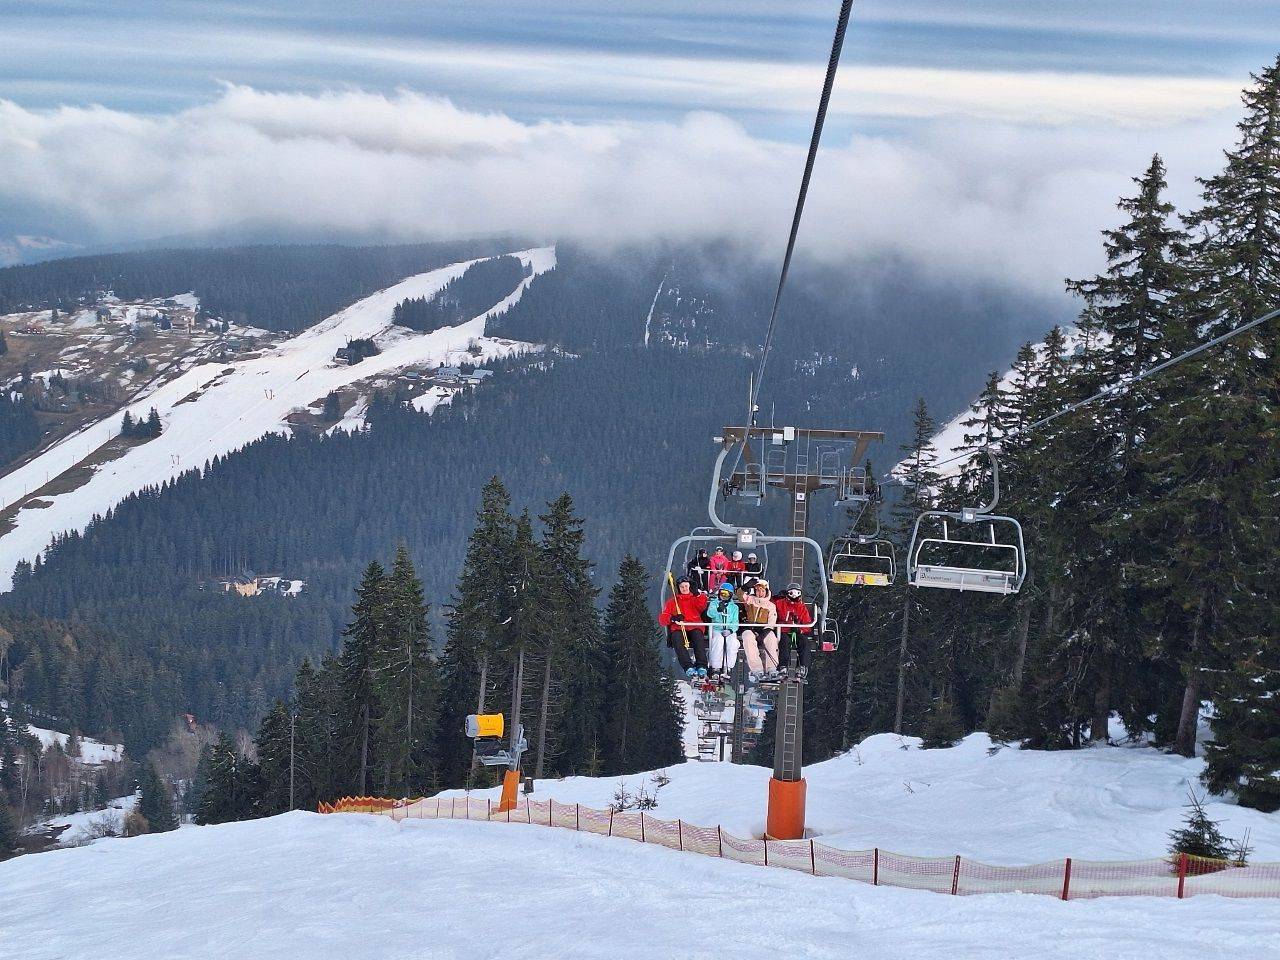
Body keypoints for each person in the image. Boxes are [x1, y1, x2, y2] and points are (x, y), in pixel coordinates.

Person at [658, 577, 708, 677]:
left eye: (686, 586)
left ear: (689, 587)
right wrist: (672, 618)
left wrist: (697, 594)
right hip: (679, 628)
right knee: (676, 639)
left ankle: (701, 665)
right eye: (682, 587)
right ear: (679, 588)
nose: (684, 589)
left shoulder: (695, 599)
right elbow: (662, 619)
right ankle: (688, 666)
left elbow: (702, 605)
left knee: (698, 638)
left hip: (694, 626)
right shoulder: (673, 602)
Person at [738, 578, 778, 681]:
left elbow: (772, 621)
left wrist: (764, 633)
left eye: (762, 591)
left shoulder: (770, 605)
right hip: (750, 628)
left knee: (771, 638)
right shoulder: (750, 600)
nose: (760, 593)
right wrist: (746, 586)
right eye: (758, 590)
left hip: (764, 629)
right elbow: (739, 595)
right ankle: (757, 669)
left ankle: (772, 668)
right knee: (747, 637)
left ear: (766, 591)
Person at [773, 582, 814, 680]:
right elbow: (772, 612)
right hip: (783, 630)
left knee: (804, 642)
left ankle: (802, 667)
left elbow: (807, 623)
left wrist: (800, 629)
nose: (794, 596)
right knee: (784, 642)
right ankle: (783, 666)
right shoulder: (780, 604)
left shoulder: (801, 607)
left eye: (797, 593)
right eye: (791, 593)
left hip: (797, 630)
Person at [705, 581, 740, 681]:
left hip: (729, 630)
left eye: (726, 594)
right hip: (717, 629)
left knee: (733, 643)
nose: (723, 596)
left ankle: (728, 667)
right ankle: (716, 667)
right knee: (718, 641)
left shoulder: (734, 607)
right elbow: (709, 614)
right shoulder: (714, 603)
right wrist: (718, 610)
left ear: (730, 595)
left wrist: (731, 630)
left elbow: (735, 622)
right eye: (722, 593)